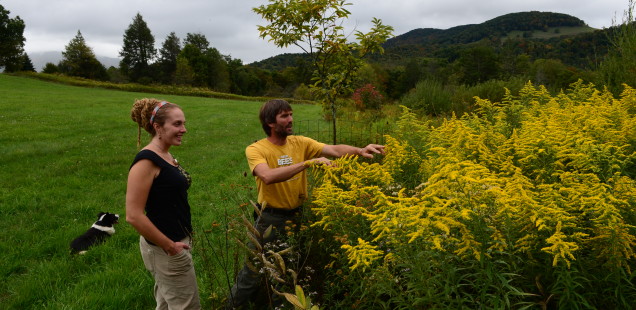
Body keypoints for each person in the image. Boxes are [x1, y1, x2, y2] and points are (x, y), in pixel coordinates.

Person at [227, 99, 385, 309]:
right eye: (284, 116)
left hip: (296, 218)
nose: (291, 119)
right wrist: (308, 163)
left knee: (288, 272)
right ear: (270, 122)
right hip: (269, 219)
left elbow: (333, 149)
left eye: (291, 114)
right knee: (253, 271)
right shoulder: (256, 149)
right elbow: (267, 176)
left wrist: (359, 150)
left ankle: (278, 305)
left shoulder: (300, 142)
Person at [126, 98, 201, 310]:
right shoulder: (147, 161)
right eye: (177, 124)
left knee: (167, 304)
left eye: (183, 123)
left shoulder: (165, 154)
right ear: (158, 127)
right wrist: (169, 246)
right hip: (166, 248)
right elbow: (133, 215)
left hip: (174, 243)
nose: (184, 129)